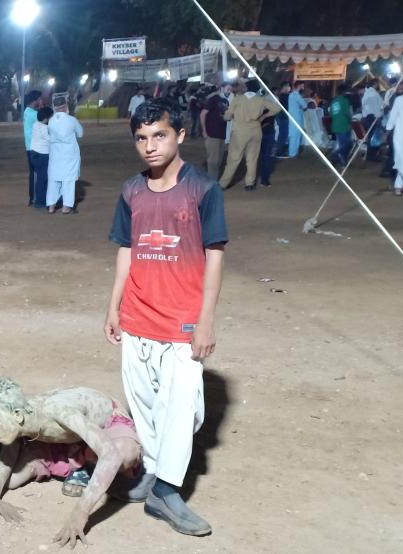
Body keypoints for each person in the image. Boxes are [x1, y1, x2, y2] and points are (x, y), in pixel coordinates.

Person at [104, 98, 227, 537]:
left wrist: (206, 318)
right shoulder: (130, 191)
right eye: (141, 138)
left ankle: (168, 492)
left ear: (181, 135)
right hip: (138, 317)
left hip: (181, 321)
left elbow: (214, 255)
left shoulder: (203, 190)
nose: (150, 146)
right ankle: (151, 476)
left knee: (182, 410)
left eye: (159, 135)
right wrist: (114, 305)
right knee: (144, 404)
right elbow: (127, 248)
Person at [0, 380, 144, 548]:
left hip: (103, 428)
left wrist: (80, 513)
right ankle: (77, 462)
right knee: (7, 477)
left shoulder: (61, 412)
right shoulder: (21, 415)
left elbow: (110, 455)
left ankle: (88, 466)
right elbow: (12, 445)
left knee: (123, 453)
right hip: (64, 440)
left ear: (18, 414)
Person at [220, 79, 281, 191]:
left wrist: (226, 116)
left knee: (234, 158)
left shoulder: (238, 99)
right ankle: (249, 184)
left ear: (246, 88)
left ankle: (223, 184)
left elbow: (228, 116)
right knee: (252, 158)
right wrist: (264, 117)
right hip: (256, 130)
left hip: (240, 132)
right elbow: (277, 108)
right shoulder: (260, 100)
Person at [46, 95, 84, 214]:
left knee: (53, 180)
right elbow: (80, 133)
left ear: (55, 107)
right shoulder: (71, 120)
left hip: (55, 154)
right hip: (69, 154)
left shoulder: (51, 121)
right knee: (68, 181)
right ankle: (66, 207)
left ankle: (51, 206)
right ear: (65, 106)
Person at [200, 83, 231, 179]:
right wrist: (204, 130)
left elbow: (225, 116)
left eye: (231, 89)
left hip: (221, 133)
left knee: (219, 159)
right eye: (228, 89)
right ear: (221, 88)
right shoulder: (213, 99)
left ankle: (213, 179)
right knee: (213, 159)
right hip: (212, 133)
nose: (229, 91)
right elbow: (203, 114)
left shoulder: (225, 101)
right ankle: (212, 181)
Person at [22, 90, 43, 207]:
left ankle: (34, 197)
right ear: (35, 100)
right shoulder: (33, 114)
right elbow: (46, 120)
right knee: (35, 173)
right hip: (34, 147)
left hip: (30, 147)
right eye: (40, 99)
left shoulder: (27, 111)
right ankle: (34, 198)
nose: (42, 101)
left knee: (34, 172)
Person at [30, 107, 53, 212]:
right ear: (46, 118)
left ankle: (38, 201)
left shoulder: (35, 124)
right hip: (43, 155)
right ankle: (40, 203)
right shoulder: (44, 128)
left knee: (40, 179)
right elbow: (50, 140)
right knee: (43, 181)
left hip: (34, 153)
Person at [329, 84, 353, 165]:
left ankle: (340, 159)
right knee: (346, 144)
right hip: (344, 125)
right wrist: (350, 121)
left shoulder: (334, 101)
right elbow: (347, 113)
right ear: (344, 92)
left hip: (335, 124)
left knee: (342, 143)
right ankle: (336, 155)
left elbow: (331, 113)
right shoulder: (345, 101)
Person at [361, 82, 384, 161]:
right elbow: (380, 106)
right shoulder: (375, 94)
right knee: (375, 138)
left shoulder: (366, 94)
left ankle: (370, 155)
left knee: (370, 137)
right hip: (374, 117)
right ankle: (373, 156)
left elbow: (364, 107)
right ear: (375, 84)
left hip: (367, 118)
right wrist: (379, 117)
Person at [287, 82, 308, 157]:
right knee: (295, 135)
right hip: (296, 118)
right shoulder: (296, 95)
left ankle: (293, 152)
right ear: (299, 86)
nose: (303, 86)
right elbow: (305, 106)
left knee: (295, 135)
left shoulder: (292, 95)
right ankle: (293, 153)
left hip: (294, 117)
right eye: (302, 85)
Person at [275, 82, 292, 157]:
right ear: (284, 87)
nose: (289, 88)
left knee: (283, 134)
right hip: (283, 117)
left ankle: (280, 150)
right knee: (283, 134)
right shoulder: (284, 96)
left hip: (282, 117)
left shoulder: (281, 95)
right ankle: (279, 152)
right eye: (288, 86)